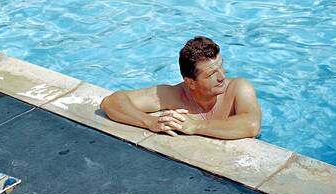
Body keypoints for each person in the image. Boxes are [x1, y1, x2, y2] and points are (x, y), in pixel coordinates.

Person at [100, 36, 262, 140]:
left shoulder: (238, 87)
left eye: (221, 66)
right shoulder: (174, 95)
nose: (221, 77)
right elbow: (111, 102)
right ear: (190, 82)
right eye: (211, 74)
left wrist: (196, 126)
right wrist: (150, 121)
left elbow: (252, 125)